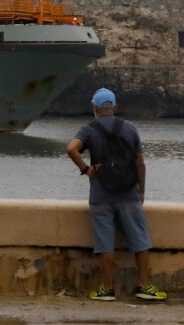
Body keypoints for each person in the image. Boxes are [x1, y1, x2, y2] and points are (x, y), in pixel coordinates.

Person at [66, 88, 166, 301]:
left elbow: (71, 149)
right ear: (115, 108)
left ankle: (107, 289)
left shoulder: (88, 129)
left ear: (94, 108)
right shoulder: (129, 128)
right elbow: (140, 163)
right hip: (129, 193)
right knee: (140, 240)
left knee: (105, 243)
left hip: (101, 196)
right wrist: (141, 190)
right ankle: (145, 286)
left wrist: (85, 169)